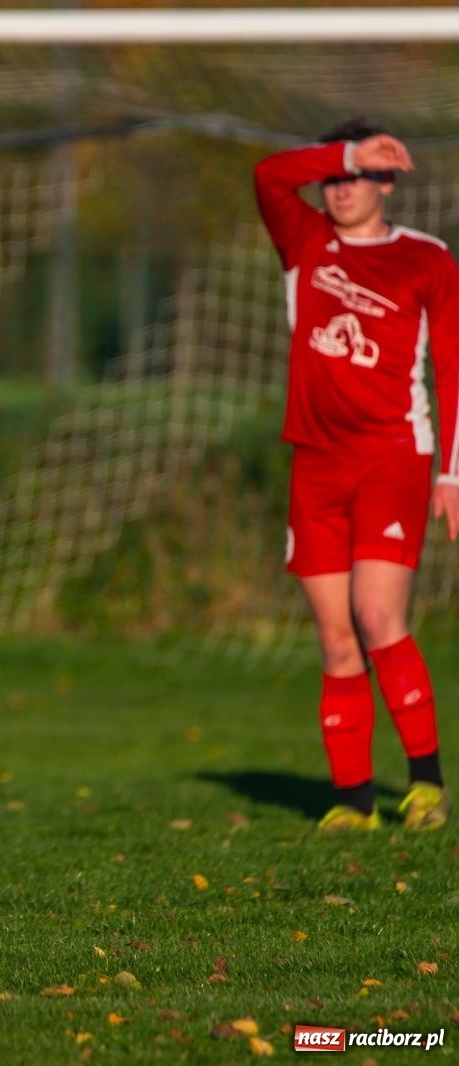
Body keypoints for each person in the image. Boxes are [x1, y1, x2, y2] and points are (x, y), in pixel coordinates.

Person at [255, 118, 457, 831]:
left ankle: (427, 786)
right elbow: (267, 176)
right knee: (337, 638)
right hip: (315, 464)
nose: (340, 189)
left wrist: (453, 474)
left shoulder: (426, 259)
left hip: (392, 457)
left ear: (387, 183)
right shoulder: (306, 243)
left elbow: (452, 367)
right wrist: (342, 152)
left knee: (378, 618)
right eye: (334, 177)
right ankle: (353, 802)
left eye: (358, 176)